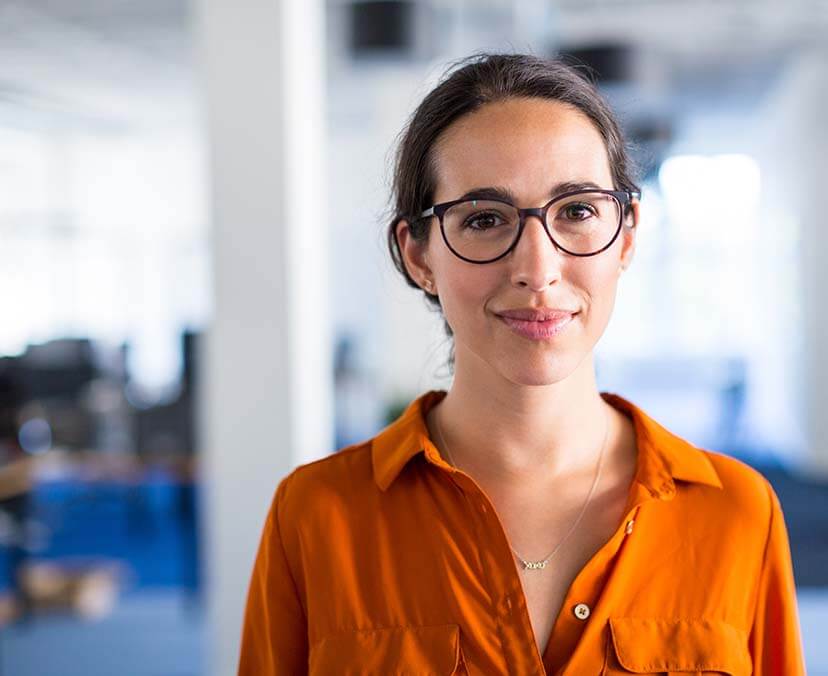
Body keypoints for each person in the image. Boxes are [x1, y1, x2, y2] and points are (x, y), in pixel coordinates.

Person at [238, 53, 805, 675]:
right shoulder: (316, 517)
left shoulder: (735, 514)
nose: (537, 268)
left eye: (578, 211)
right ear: (418, 255)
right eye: (484, 219)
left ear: (629, 234)